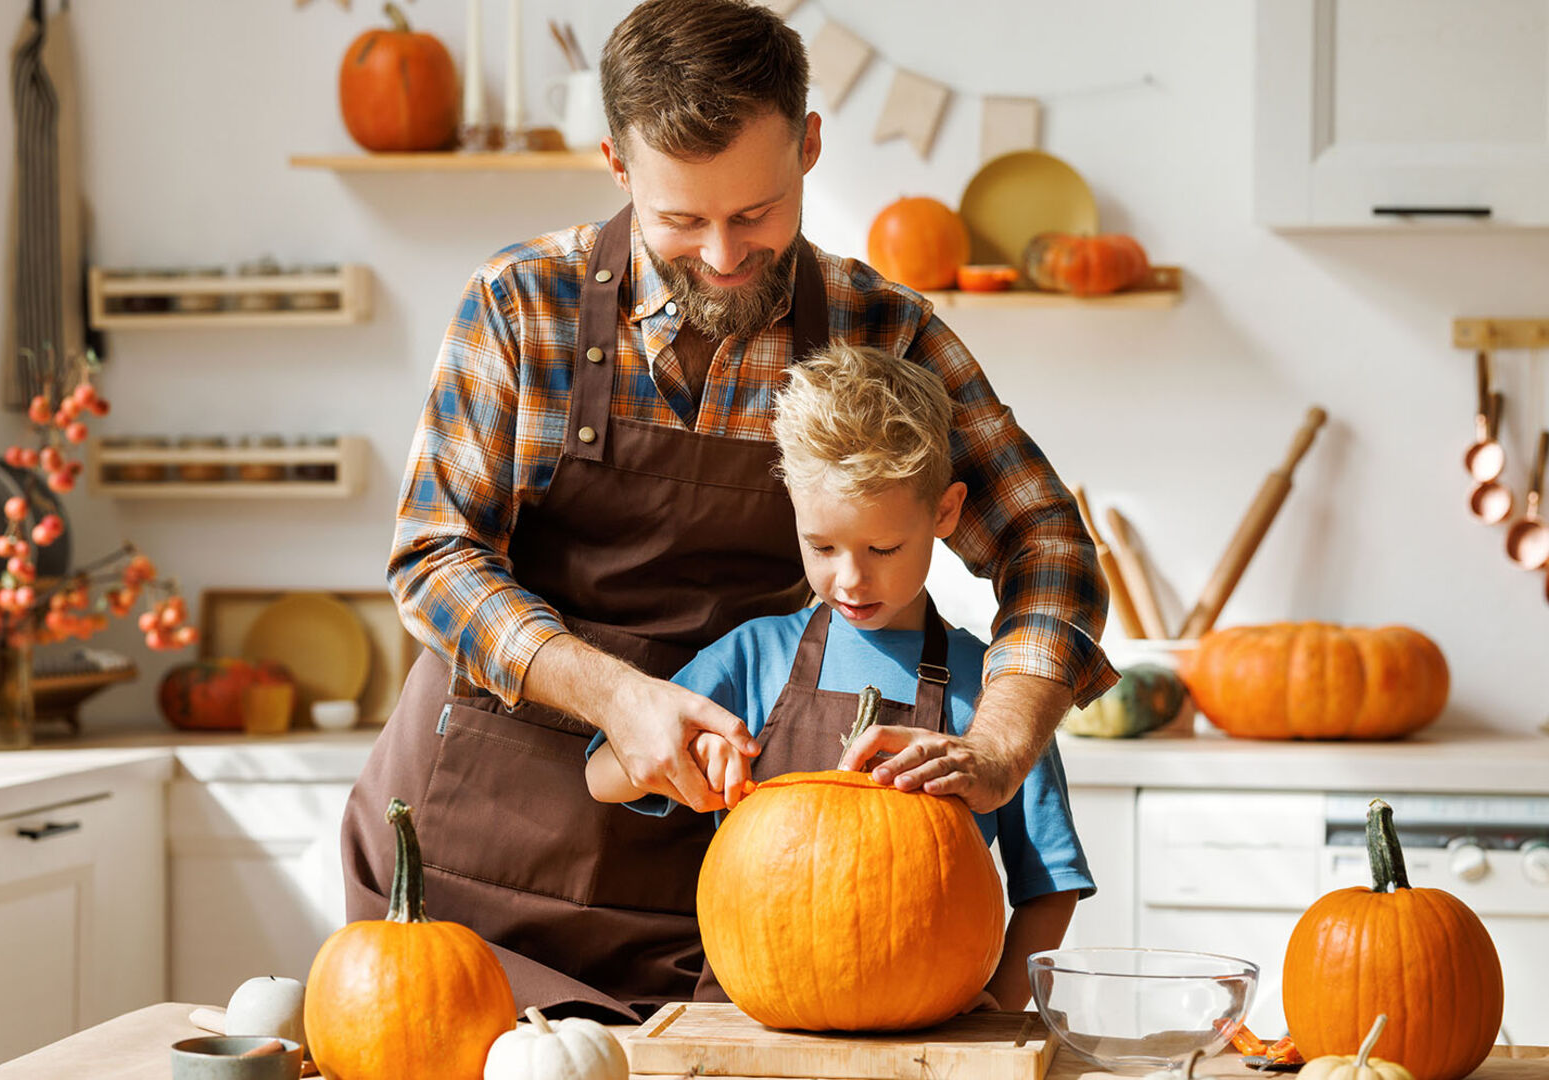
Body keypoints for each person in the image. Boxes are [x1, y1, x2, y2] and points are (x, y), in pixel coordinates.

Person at [340, 0, 1116, 1022]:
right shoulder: (521, 305)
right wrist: (618, 699)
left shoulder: (883, 332)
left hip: (737, 895)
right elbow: (434, 559)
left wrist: (1003, 745)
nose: (719, 254)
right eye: (680, 219)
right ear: (617, 164)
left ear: (809, 146)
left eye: (756, 213)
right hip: (467, 875)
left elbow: (1044, 542)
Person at [585, 342, 1092, 1010]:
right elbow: (602, 779)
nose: (850, 579)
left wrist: (995, 1006)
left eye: (883, 548)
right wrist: (684, 754)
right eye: (821, 547)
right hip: (747, 1023)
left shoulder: (995, 690)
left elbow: (1048, 884)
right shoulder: (752, 657)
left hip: (926, 1032)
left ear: (943, 513)